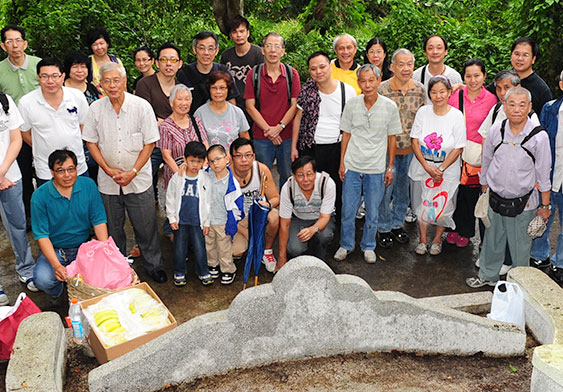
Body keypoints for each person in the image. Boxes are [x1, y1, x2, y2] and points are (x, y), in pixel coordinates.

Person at [83, 62, 167, 283]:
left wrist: (134, 171)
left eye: (116, 80)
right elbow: (91, 142)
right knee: (113, 228)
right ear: (100, 85)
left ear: (125, 81)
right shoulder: (95, 109)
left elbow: (150, 143)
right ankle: (117, 268)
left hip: (138, 179)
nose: (112, 85)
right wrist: (107, 169)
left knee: (146, 225)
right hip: (108, 181)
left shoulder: (141, 106)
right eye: (107, 81)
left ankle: (154, 265)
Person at [466, 87, 551, 288]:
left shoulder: (539, 136)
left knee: (521, 246)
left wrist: (545, 206)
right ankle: (487, 275)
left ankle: (520, 287)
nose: (516, 109)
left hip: (524, 201)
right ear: (504, 106)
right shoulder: (497, 130)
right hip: (495, 196)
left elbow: (543, 173)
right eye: (511, 104)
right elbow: (486, 161)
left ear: (530, 107)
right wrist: (484, 189)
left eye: (522, 105)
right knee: (492, 241)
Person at [333, 64, 402, 263]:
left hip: (377, 167)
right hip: (353, 165)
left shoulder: (389, 106)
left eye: (371, 80)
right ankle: (346, 245)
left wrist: (390, 167)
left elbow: (392, 138)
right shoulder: (353, 104)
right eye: (362, 80)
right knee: (348, 209)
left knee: (373, 210)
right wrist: (342, 163)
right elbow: (346, 134)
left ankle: (368, 246)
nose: (367, 84)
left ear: (379, 81)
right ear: (358, 82)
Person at [32, 149, 108, 298]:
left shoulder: (88, 185)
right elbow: (42, 235)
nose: (67, 175)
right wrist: (56, 266)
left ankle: (78, 290)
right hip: (57, 251)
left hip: (85, 247)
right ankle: (59, 293)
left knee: (102, 275)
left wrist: (104, 250)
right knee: (43, 280)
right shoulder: (39, 196)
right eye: (60, 171)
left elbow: (99, 220)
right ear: (52, 172)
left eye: (71, 169)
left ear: (77, 169)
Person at [292, 51, 356, 220]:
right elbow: (298, 119)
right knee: (312, 186)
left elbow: (352, 124)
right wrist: (293, 147)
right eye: (313, 69)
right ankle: (312, 221)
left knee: (338, 187)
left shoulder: (346, 90)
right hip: (310, 147)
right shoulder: (307, 91)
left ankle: (338, 225)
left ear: (330, 66)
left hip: (337, 147)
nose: (318, 72)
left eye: (322, 67)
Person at [408, 76, 466, 255]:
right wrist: (427, 167)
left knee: (443, 206)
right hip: (422, 167)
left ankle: (436, 239)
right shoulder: (423, 112)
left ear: (449, 92)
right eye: (434, 92)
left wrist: (440, 169)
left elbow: (459, 146)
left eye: (442, 91)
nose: (438, 96)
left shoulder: (456, 115)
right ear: (429, 94)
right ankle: (423, 239)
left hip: (446, 171)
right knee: (422, 204)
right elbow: (415, 140)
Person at [377, 49, 426, 249]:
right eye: (401, 64)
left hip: (410, 151)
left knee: (402, 191)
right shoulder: (382, 89)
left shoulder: (421, 89)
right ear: (392, 67)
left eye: (409, 64)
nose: (405, 69)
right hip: (386, 151)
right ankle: (383, 227)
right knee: (384, 190)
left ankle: (398, 224)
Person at [446, 59, 497, 248]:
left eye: (477, 75)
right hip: (454, 152)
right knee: (453, 192)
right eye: (468, 76)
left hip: (475, 155)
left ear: (484, 76)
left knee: (469, 193)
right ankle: (452, 227)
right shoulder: (456, 95)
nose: (473, 80)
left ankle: (466, 231)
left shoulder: (492, 99)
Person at [18, 58, 89, 186]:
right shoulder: (26, 102)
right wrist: (42, 146)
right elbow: (24, 132)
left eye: (55, 76)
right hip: (46, 169)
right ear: (38, 78)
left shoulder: (77, 96)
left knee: (81, 203)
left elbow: (84, 126)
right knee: (51, 205)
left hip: (77, 166)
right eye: (44, 76)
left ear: (63, 77)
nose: (50, 81)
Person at [244, 32, 301, 189]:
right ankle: (264, 209)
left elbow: (295, 105)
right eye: (268, 46)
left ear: (283, 51)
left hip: (287, 136)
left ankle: (285, 210)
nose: (272, 50)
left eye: (277, 46)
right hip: (262, 136)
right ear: (262, 50)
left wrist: (279, 127)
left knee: (288, 175)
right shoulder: (254, 74)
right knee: (262, 176)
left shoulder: (291, 74)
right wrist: (269, 130)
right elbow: (250, 106)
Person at [0, 25, 41, 225]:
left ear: (25, 43)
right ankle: (28, 215)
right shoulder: (0, 70)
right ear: (3, 45)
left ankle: (48, 213)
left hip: (41, 128)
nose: (15, 45)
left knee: (49, 169)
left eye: (18, 40)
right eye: (9, 41)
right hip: (15, 133)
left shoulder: (38, 65)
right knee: (23, 173)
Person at [0, 92, 37, 306]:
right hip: (3, 177)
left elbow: (16, 140)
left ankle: (26, 269)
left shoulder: (5, 101)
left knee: (18, 225)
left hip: (11, 177)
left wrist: (2, 172)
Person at [136, 42, 183, 200]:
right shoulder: (145, 84)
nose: (168, 64)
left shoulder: (181, 87)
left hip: (176, 143)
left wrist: (163, 122)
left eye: (173, 60)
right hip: (152, 142)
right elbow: (146, 117)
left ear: (180, 63)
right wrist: (172, 124)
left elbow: (184, 116)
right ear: (157, 62)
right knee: (147, 180)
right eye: (164, 60)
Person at [529, 71, 563, 279]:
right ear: (561, 84)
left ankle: (560, 262)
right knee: (543, 215)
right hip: (550, 174)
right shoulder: (550, 109)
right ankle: (538, 254)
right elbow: (540, 143)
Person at [166, 141, 213, 286]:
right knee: (179, 248)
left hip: (197, 221)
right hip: (181, 221)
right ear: (185, 159)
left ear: (204, 162)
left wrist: (206, 222)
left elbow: (208, 202)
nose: (195, 165)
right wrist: (172, 218)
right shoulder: (177, 177)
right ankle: (179, 271)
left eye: (199, 162)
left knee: (200, 247)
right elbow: (170, 197)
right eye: (192, 161)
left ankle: (203, 271)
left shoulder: (205, 179)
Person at [230, 137, 280, 272]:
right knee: (237, 252)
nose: (244, 160)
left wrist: (267, 205)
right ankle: (252, 242)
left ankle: (267, 251)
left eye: (248, 155)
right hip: (236, 221)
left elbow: (276, 197)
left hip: (257, 214)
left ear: (253, 156)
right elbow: (222, 211)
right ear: (231, 158)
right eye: (238, 156)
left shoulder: (261, 170)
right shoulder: (225, 175)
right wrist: (247, 233)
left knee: (274, 216)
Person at [278, 156, 336, 270]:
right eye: (300, 175)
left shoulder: (327, 183)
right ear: (294, 176)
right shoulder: (288, 188)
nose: (306, 179)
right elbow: (284, 224)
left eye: (309, 174)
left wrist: (312, 229)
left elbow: (325, 217)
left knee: (325, 235)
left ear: (315, 173)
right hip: (298, 218)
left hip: (320, 218)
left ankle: (321, 256)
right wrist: (281, 257)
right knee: (294, 249)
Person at [200, 144, 244, 285]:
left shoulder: (232, 182)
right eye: (211, 161)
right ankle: (213, 265)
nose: (215, 163)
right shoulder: (206, 176)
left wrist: (234, 219)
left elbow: (238, 203)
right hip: (208, 220)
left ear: (226, 159)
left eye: (218, 159)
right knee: (209, 245)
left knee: (224, 247)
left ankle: (227, 269)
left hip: (224, 220)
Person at [159, 84, 209, 190]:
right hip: (177, 179)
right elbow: (166, 157)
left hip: (199, 178)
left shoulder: (196, 121)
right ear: (171, 102)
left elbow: (206, 147)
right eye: (179, 99)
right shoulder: (165, 127)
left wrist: (204, 170)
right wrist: (182, 177)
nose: (184, 103)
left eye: (187, 99)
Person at [178, 31, 239, 115]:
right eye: (201, 48)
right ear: (194, 50)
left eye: (210, 48)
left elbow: (231, 101)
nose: (206, 53)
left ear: (216, 51)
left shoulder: (223, 71)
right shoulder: (185, 73)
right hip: (192, 123)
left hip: (219, 122)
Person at [63, 51, 102, 183]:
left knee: (94, 179)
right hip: (71, 143)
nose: (80, 70)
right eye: (75, 66)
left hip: (94, 141)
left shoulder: (91, 88)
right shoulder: (61, 89)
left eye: (83, 66)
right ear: (68, 69)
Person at [220, 15, 264, 125]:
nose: (239, 35)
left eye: (242, 31)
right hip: (232, 107)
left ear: (248, 33)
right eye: (234, 32)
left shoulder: (258, 53)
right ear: (230, 35)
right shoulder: (226, 55)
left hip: (254, 107)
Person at [194, 70, 250, 149]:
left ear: (228, 89)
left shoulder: (237, 112)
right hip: (210, 160)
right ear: (209, 89)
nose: (218, 92)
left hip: (233, 159)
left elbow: (245, 139)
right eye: (214, 88)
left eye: (222, 88)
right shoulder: (200, 113)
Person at [478, 70, 540, 141]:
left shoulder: (530, 116)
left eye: (506, 87)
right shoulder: (496, 109)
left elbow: (538, 143)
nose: (502, 93)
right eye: (499, 88)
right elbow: (485, 136)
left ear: (518, 87)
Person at [510, 37, 552, 116]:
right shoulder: (503, 80)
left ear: (533, 59)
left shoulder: (542, 90)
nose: (520, 58)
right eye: (516, 54)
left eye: (526, 55)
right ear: (511, 56)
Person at [85, 27, 123, 93]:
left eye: (101, 43)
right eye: (95, 44)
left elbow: (123, 83)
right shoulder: (88, 63)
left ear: (107, 44)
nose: (99, 47)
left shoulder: (116, 61)